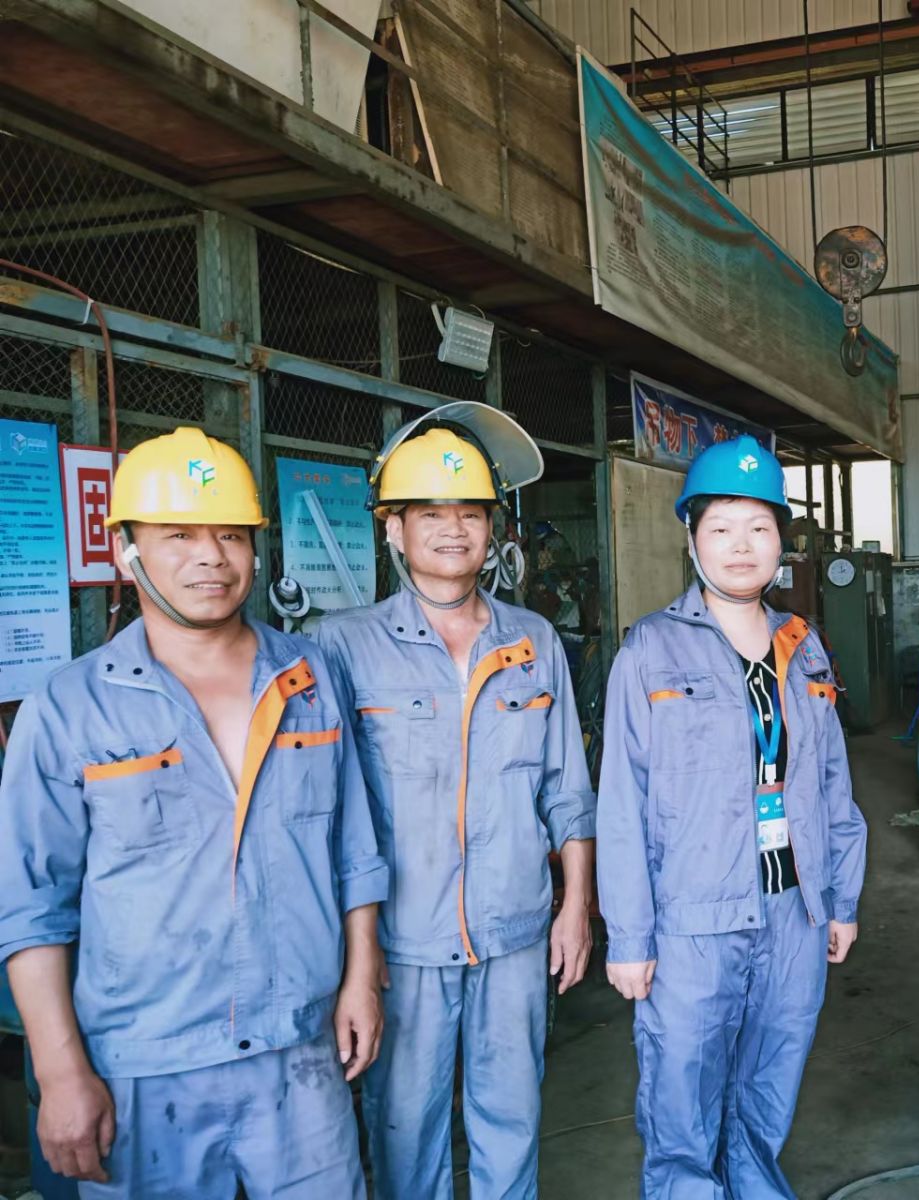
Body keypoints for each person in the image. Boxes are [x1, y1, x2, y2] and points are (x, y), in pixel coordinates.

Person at [0, 428, 387, 1198]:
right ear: (127, 552)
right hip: (143, 1065)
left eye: (232, 534)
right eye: (179, 535)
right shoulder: (69, 708)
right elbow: (31, 906)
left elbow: (354, 849)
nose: (212, 556)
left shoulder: (310, 677)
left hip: (299, 1050)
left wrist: (362, 980)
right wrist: (61, 1069)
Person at [313, 402, 596, 1198]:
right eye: (429, 514)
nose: (452, 530)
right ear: (393, 529)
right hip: (400, 941)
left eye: (469, 513)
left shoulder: (533, 640)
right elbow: (326, 812)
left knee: (513, 1117)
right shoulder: (341, 645)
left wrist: (576, 906)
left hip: (514, 929)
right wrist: (351, 955)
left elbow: (567, 789)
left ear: (492, 530)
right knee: (405, 1131)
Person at [597, 434, 867, 1199]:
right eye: (720, 527)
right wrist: (629, 937)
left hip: (793, 911)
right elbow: (621, 803)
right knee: (681, 1097)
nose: (740, 545)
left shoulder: (802, 646)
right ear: (691, 539)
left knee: (768, 1083)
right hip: (692, 919)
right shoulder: (650, 650)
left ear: (781, 542)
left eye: (758, 526)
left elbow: (832, 784)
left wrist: (839, 900)